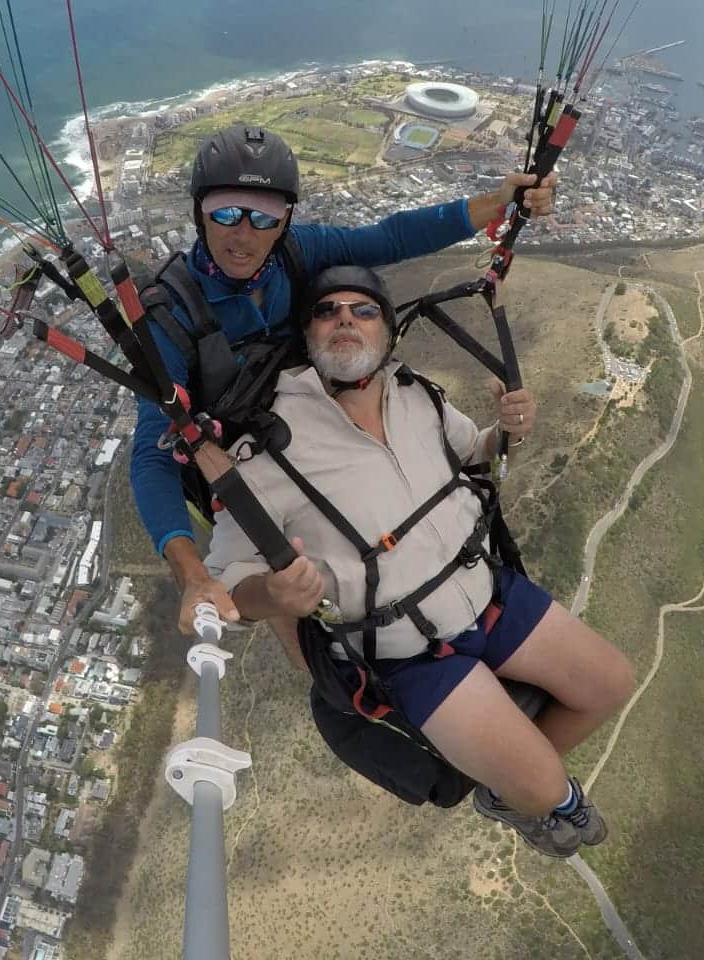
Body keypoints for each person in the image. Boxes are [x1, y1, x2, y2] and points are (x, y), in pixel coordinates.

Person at [201, 265, 635, 858]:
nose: (345, 320)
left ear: (387, 331)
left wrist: (506, 432)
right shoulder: (266, 449)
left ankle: (508, 782)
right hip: (406, 651)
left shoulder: (417, 395)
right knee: (543, 788)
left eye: (363, 310)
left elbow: (472, 454)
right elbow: (230, 584)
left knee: (610, 683)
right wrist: (274, 596)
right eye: (327, 311)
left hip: (484, 593)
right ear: (307, 335)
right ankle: (528, 790)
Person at [129, 123, 558, 634]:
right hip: (247, 475)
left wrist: (500, 203)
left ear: (285, 221)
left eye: (263, 216)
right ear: (199, 212)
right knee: (296, 616)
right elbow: (152, 453)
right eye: (225, 212)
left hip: (320, 433)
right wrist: (193, 576)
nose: (243, 234)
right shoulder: (170, 314)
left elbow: (389, 238)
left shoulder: (294, 253)